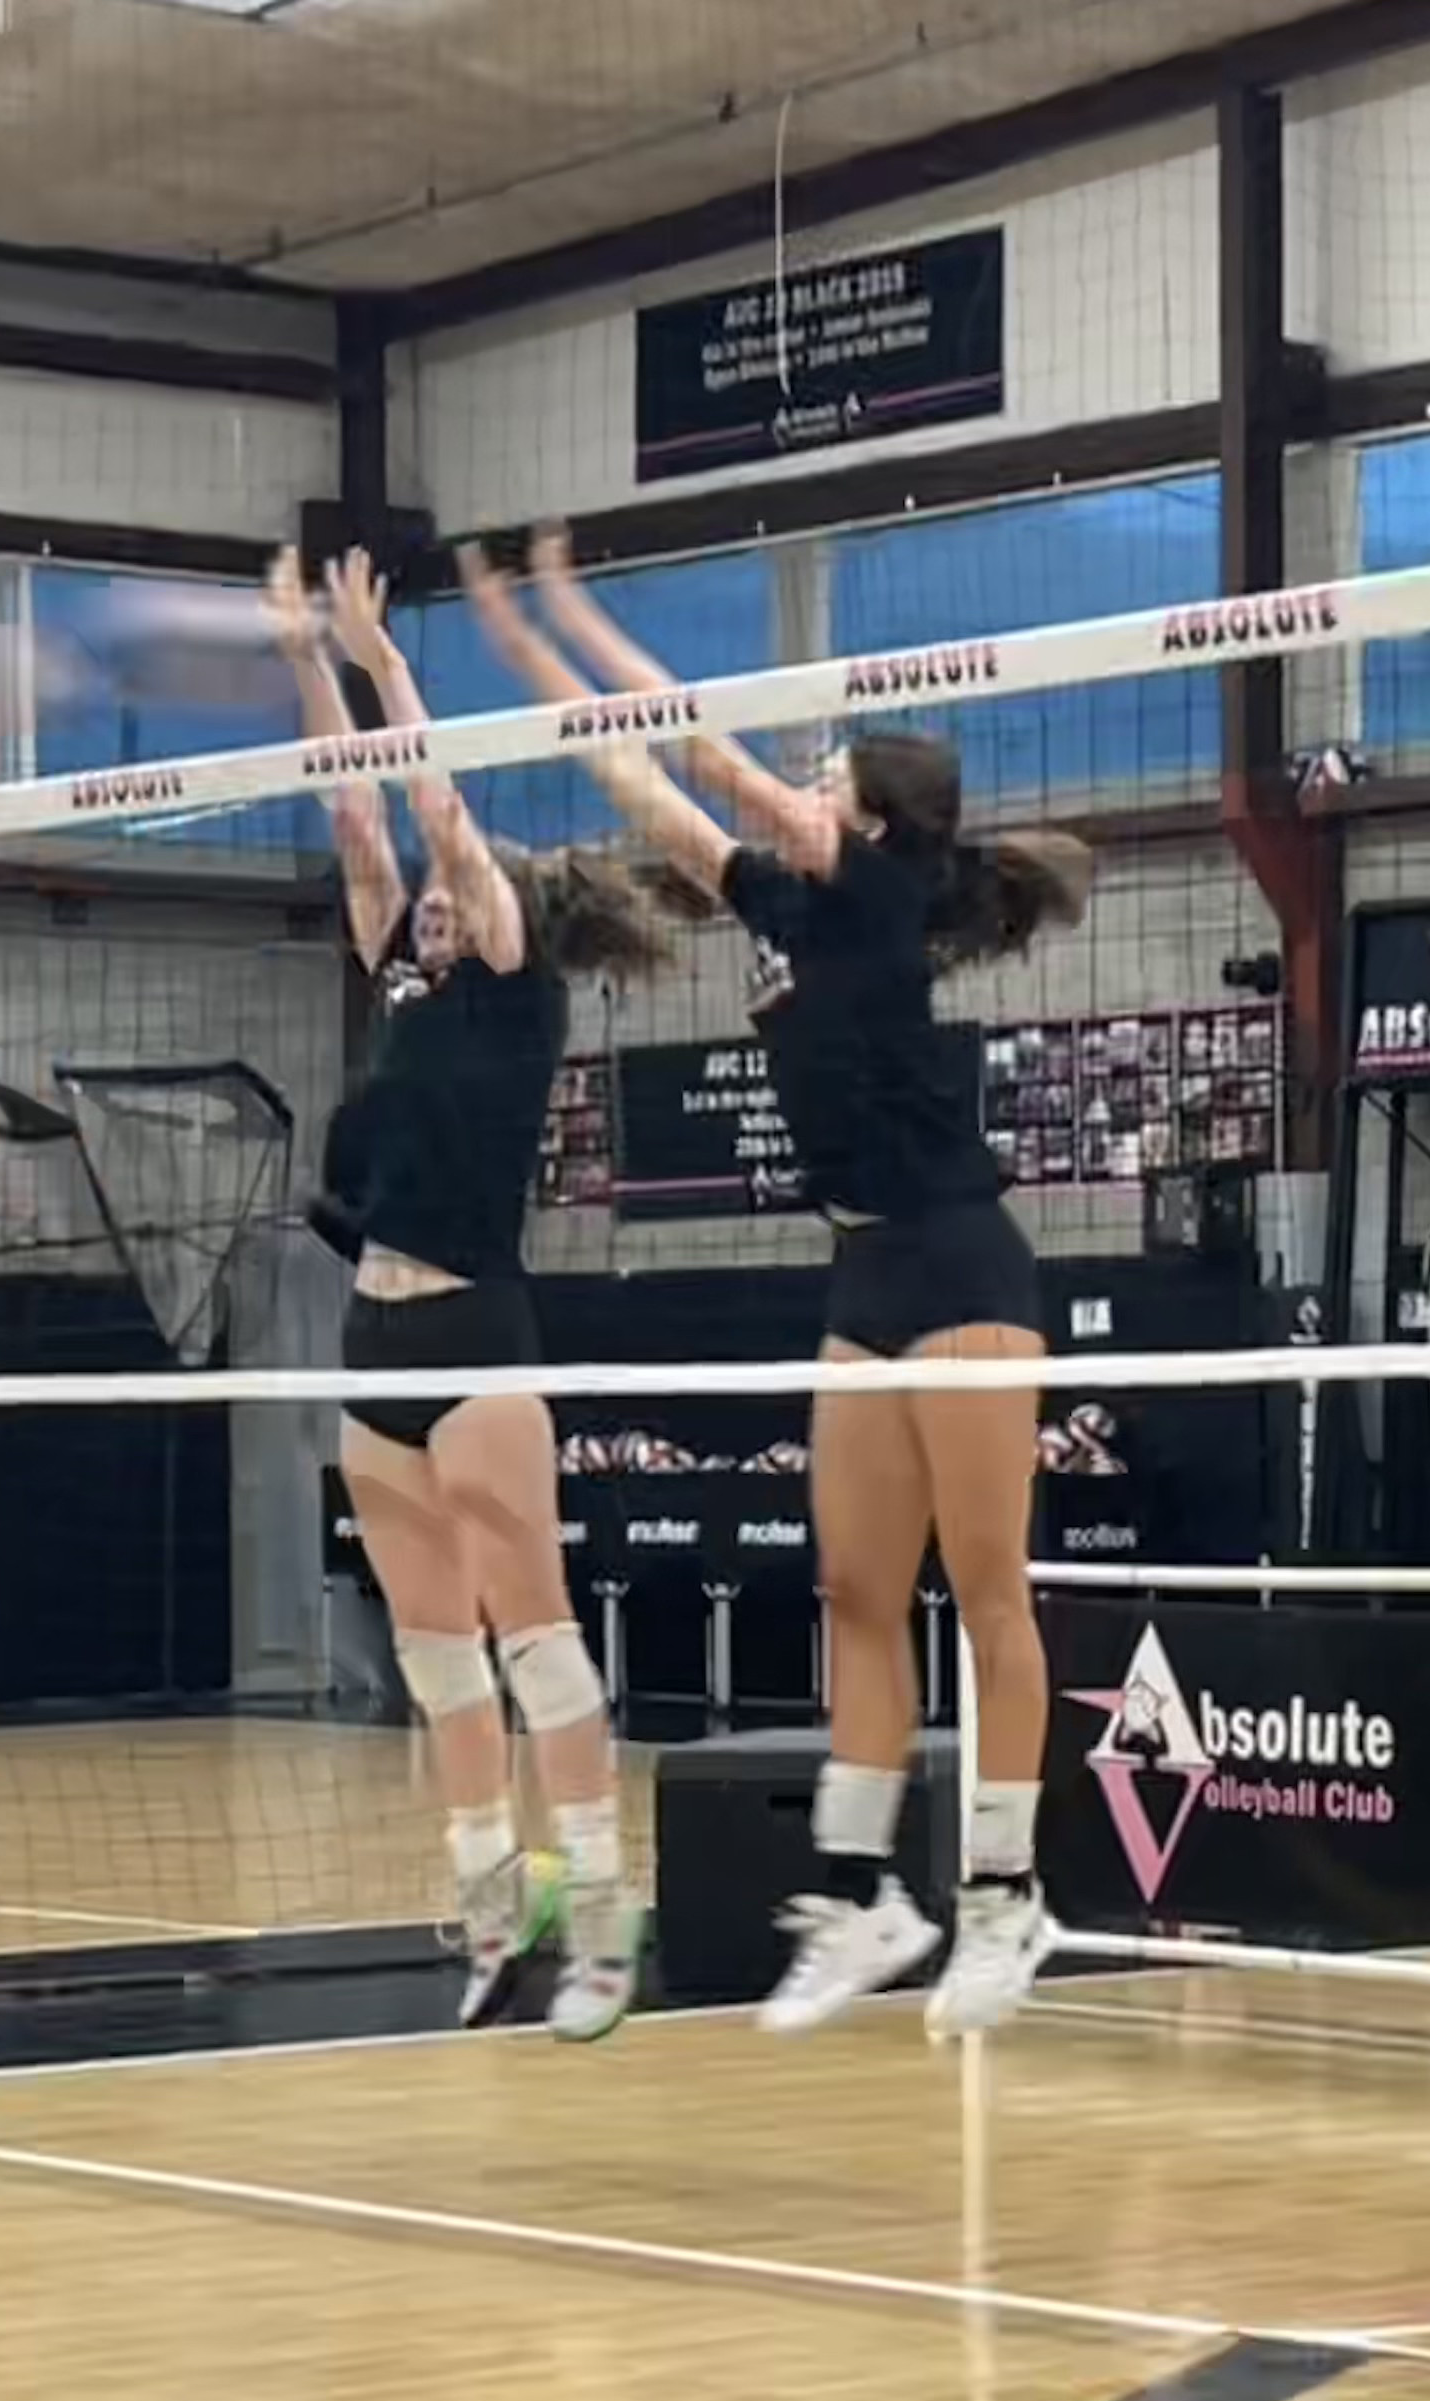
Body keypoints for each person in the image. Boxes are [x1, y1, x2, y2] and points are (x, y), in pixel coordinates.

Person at [461, 533, 1090, 2039]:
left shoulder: (874, 889)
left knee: (986, 1590)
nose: (799, 786)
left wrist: (573, 606)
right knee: (855, 1592)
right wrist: (527, 645)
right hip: (864, 1268)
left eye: (824, 775)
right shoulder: (785, 909)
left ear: (867, 818)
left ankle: (1007, 1899)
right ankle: (866, 1895)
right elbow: (643, 779)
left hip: (962, 1257)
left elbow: (700, 745)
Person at [271, 541, 665, 2043]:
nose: (431, 902)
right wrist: (305, 658)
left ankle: (607, 1915)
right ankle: (496, 1912)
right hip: (374, 1341)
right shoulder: (406, 972)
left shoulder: (515, 985)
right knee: (438, 1660)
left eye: (457, 890)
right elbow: (358, 813)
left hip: (477, 1334)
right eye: (426, 902)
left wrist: (383, 661)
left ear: (501, 913)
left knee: (535, 1642)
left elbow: (433, 809)